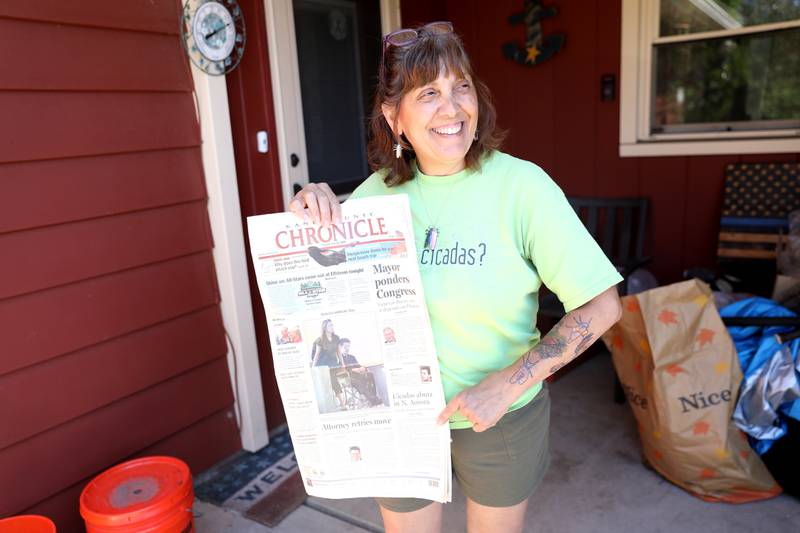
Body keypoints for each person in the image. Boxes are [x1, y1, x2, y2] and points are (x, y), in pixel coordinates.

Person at [290, 21, 622, 533]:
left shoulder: (522, 188)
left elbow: (602, 306)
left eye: (460, 86)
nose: (452, 107)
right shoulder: (373, 200)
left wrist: (508, 385)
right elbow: (329, 309)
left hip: (502, 416)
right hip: (398, 418)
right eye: (428, 94)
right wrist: (315, 214)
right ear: (393, 118)